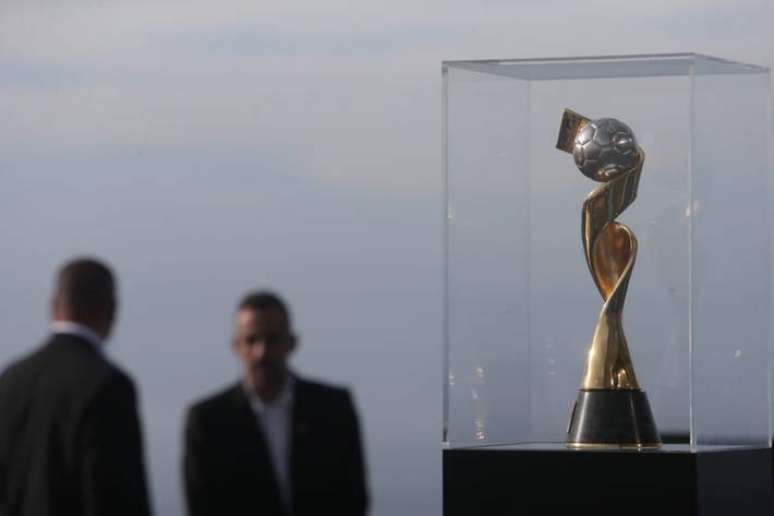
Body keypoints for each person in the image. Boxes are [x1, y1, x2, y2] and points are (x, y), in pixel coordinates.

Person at [183, 291, 368, 516]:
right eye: (252, 340)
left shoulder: (333, 410)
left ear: (291, 343)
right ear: (236, 346)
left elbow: (353, 499)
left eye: (272, 339)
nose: (262, 352)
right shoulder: (209, 422)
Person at [0, 258, 152, 516]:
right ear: (112, 310)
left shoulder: (10, 381)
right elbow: (116, 496)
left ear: (53, 306)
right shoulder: (108, 385)